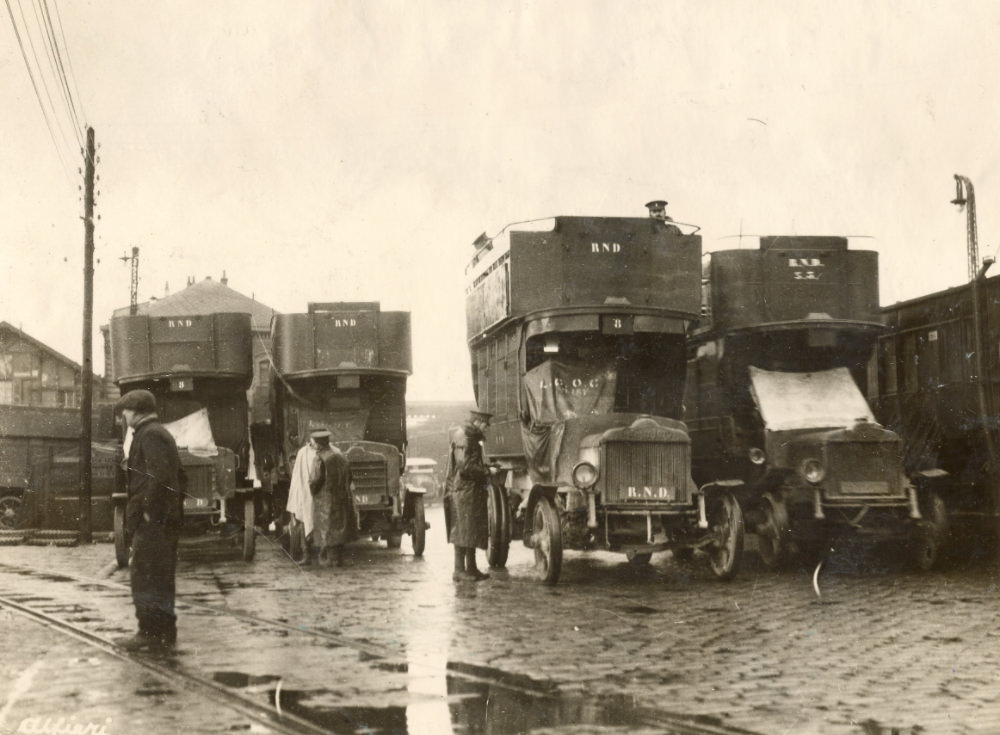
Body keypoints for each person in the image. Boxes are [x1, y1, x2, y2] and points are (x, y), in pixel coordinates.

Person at [115, 389, 183, 651]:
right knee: (161, 576)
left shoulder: (150, 434)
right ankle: (165, 630)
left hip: (153, 521)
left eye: (126, 410)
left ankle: (149, 632)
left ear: (137, 410)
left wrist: (146, 510)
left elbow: (161, 477)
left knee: (144, 575)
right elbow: (180, 475)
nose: (123, 415)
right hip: (162, 519)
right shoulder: (157, 433)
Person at [445, 409, 493, 582]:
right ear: (478, 422)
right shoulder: (464, 437)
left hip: (469, 490)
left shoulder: (470, 437)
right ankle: (459, 570)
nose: (486, 428)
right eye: (486, 425)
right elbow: (465, 466)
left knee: (470, 530)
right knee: (462, 530)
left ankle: (471, 569)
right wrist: (488, 471)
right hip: (464, 490)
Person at [309, 429, 356, 567]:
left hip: (325, 501)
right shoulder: (340, 455)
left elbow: (314, 481)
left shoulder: (319, 459)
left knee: (327, 531)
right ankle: (337, 558)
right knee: (339, 529)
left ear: (318, 444)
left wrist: (313, 491)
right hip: (341, 499)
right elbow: (349, 477)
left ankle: (330, 559)